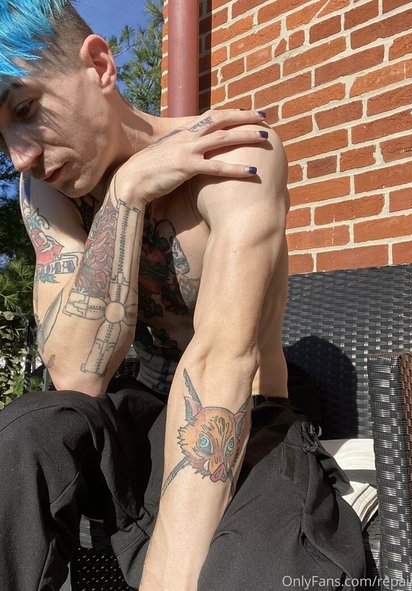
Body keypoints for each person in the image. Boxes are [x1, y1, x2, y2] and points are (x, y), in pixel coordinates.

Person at [0, 1, 365, 589]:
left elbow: (221, 361)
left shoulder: (235, 154)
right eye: (1, 136)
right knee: (19, 436)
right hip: (135, 413)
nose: (21, 156)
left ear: (99, 65)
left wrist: (168, 577)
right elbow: (74, 376)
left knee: (252, 572)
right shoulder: (48, 188)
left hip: (244, 413)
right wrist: (127, 194)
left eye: (25, 109)